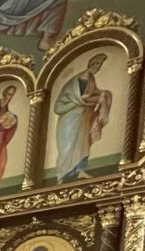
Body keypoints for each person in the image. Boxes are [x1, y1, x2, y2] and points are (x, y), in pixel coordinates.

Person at [54, 54, 111, 183]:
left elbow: (92, 94)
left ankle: (80, 171)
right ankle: (62, 174)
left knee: (83, 144)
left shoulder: (91, 79)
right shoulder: (79, 80)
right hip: (70, 119)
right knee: (68, 146)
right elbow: (78, 99)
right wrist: (92, 99)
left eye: (100, 64)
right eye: (97, 63)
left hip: (84, 117)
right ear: (91, 64)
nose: (98, 67)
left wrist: (104, 95)